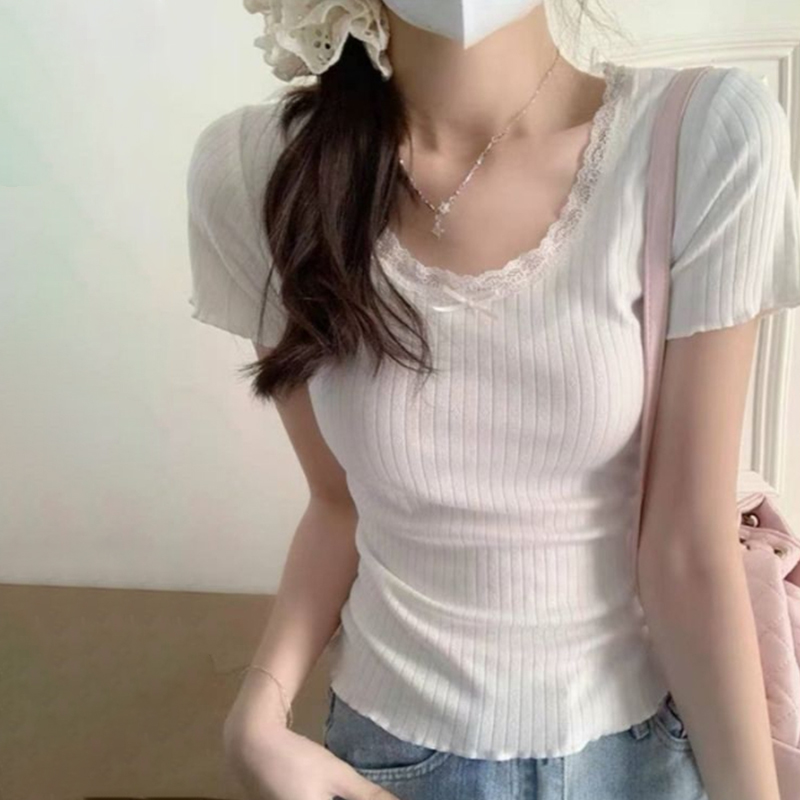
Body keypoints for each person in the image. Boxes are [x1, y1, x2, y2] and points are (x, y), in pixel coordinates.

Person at [185, 1, 800, 798]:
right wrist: (258, 715)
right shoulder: (258, 171)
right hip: (391, 758)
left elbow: (687, 546)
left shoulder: (698, 137)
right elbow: (339, 504)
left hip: (636, 755)